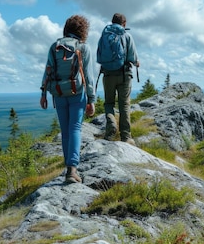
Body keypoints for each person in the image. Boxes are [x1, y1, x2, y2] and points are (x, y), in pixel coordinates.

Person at [40, 15, 96, 183]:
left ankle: (68, 170)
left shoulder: (54, 47)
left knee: (65, 131)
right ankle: (72, 170)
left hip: (58, 93)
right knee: (75, 129)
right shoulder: (83, 48)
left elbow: (47, 71)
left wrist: (43, 93)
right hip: (76, 93)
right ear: (83, 31)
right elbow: (88, 76)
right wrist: (91, 99)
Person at [100, 13, 139, 144]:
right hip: (124, 74)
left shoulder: (105, 36)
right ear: (124, 24)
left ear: (112, 22)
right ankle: (126, 136)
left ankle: (111, 126)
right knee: (124, 105)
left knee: (109, 103)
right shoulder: (127, 36)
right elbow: (132, 56)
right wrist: (136, 62)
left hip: (108, 74)